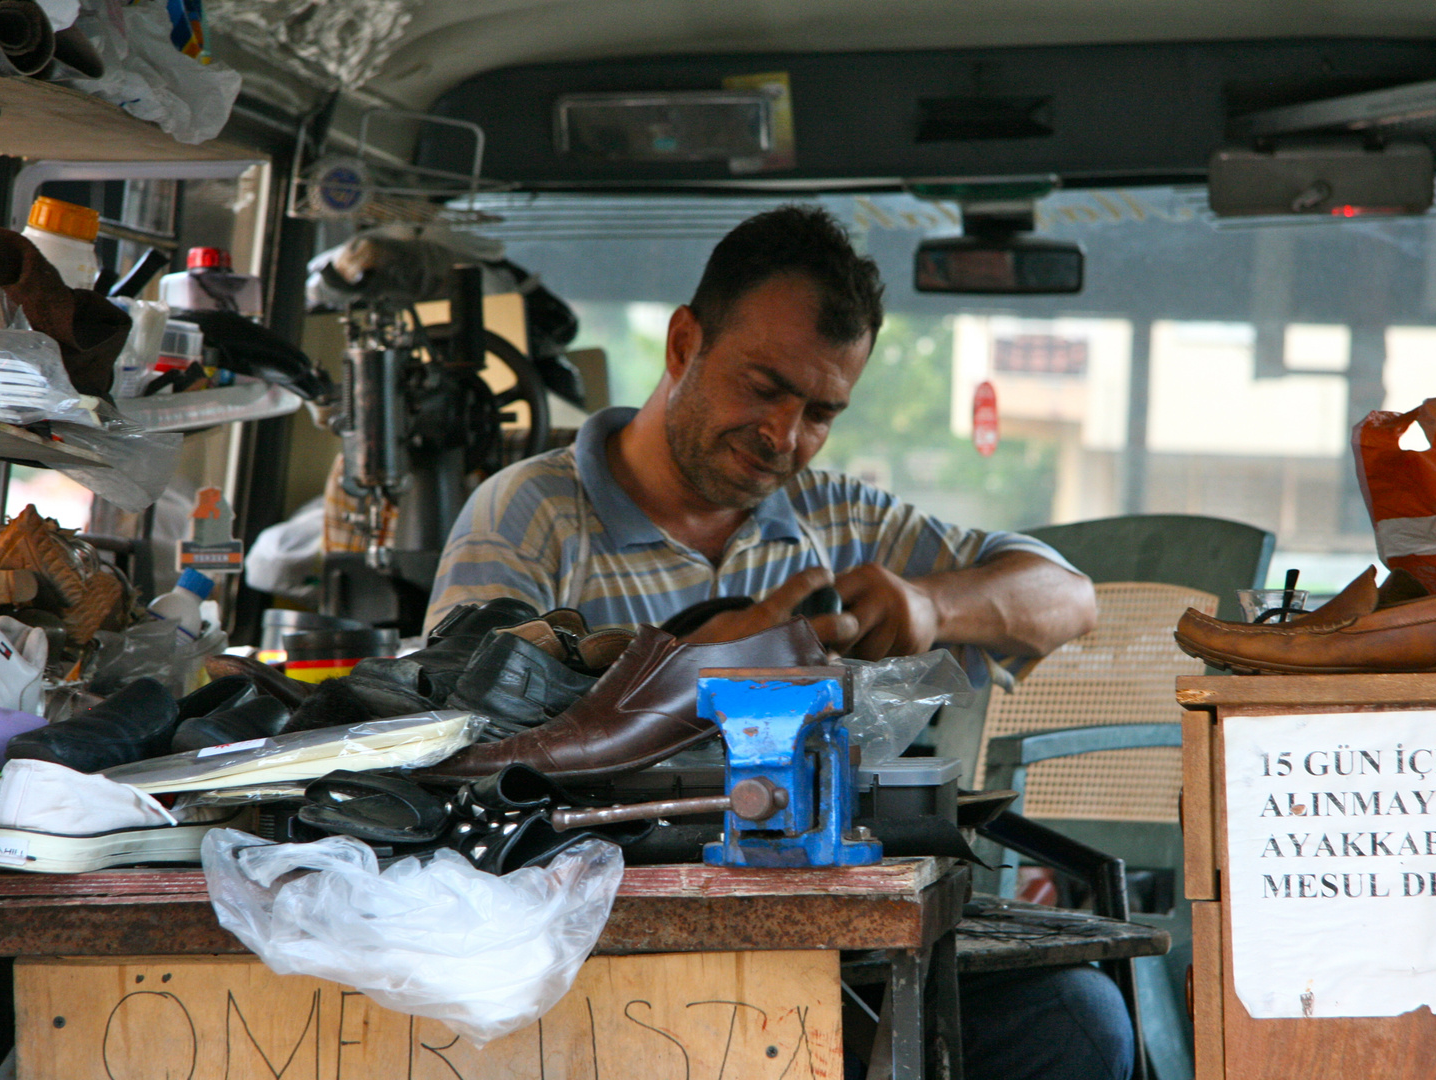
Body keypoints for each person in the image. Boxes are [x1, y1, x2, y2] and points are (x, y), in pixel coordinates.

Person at [426, 205, 1132, 1080]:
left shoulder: (838, 517)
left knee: (1078, 1021)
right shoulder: (530, 513)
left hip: (830, 947)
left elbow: (1068, 598)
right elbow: (458, 742)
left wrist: (928, 604)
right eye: (763, 389)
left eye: (821, 412)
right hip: (606, 964)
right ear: (685, 344)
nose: (785, 438)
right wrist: (699, 663)